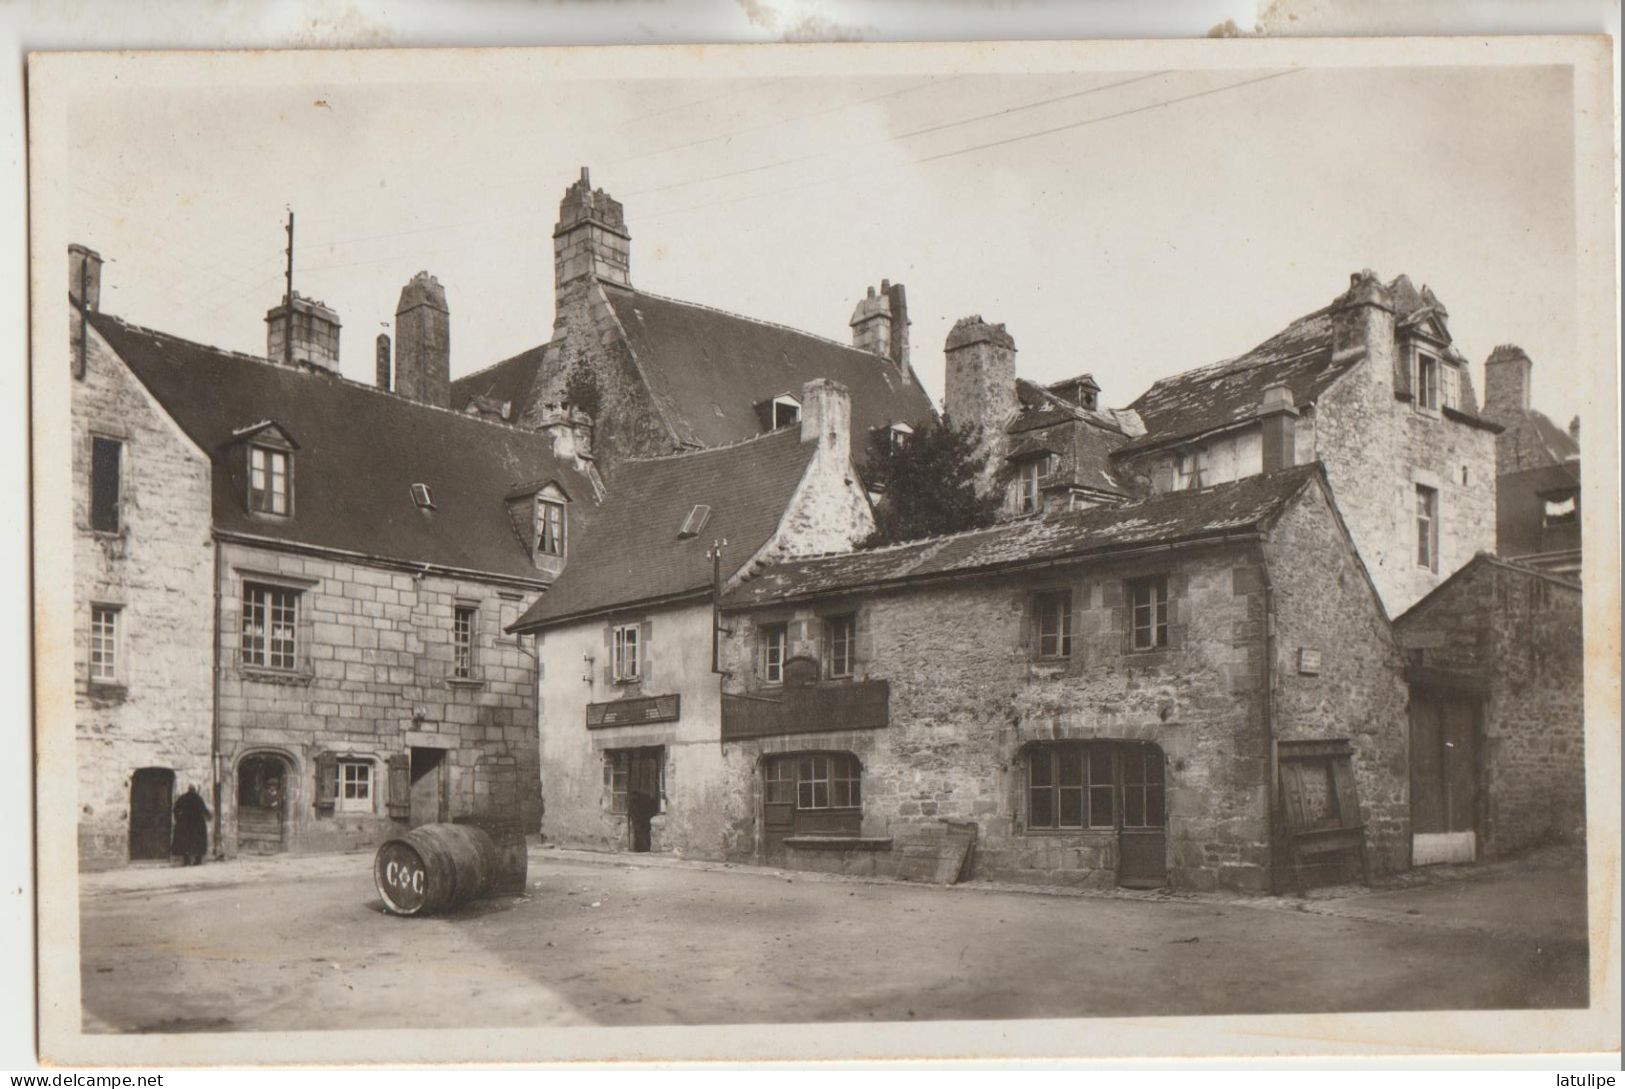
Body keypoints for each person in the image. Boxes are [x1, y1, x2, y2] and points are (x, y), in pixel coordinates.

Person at [171, 784, 211, 866]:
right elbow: (203, 809)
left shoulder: (183, 797)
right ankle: (198, 860)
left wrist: (177, 818)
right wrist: (209, 816)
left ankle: (186, 860)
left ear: (188, 789)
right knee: (198, 841)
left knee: (185, 841)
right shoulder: (198, 798)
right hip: (197, 823)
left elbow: (175, 808)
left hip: (185, 822)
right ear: (194, 790)